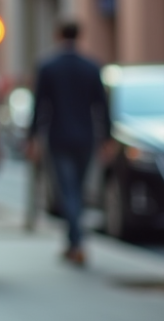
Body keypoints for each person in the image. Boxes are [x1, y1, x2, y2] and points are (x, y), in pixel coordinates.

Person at [27, 22, 113, 266]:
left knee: (69, 191)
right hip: (85, 138)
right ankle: (74, 242)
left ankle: (75, 243)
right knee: (77, 190)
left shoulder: (48, 66)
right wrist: (107, 137)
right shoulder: (91, 66)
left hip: (59, 138)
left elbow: (39, 106)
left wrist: (32, 137)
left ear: (57, 35)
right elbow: (101, 106)